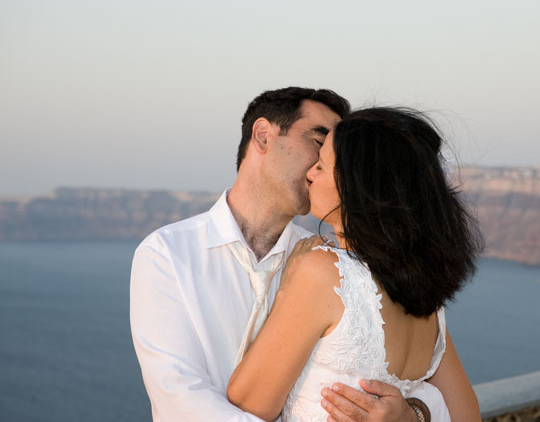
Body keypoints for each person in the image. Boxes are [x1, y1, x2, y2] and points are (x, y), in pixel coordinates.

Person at [130, 88, 455, 422]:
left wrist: (414, 413)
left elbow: (415, 387)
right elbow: (179, 396)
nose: (318, 164)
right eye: (319, 141)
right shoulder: (167, 254)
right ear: (263, 136)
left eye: (335, 156)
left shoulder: (334, 265)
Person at [226, 107, 484, 422]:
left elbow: (248, 402)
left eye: (321, 166)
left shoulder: (325, 271)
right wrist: (416, 413)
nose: (310, 173)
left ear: (356, 185)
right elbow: (468, 415)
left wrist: (287, 286)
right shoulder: (425, 295)